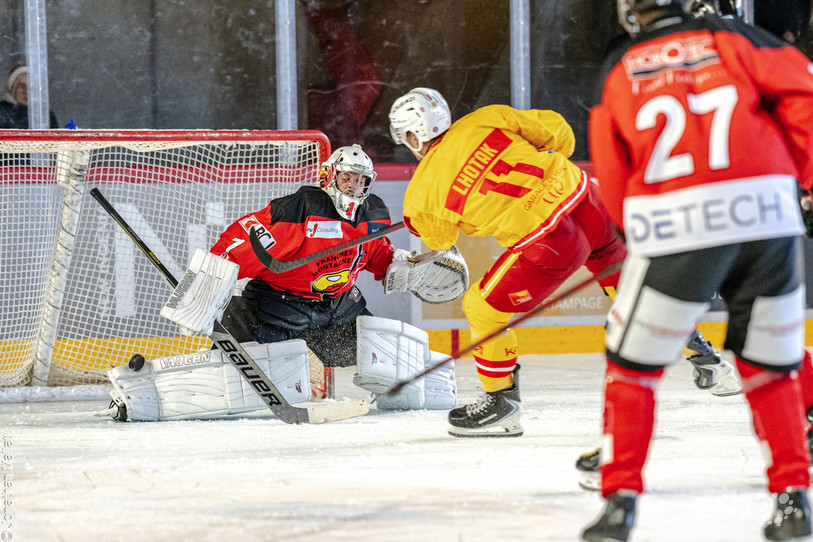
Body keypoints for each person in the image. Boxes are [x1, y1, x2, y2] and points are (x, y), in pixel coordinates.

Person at [582, 1, 813, 540]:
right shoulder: (741, 39)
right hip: (766, 217)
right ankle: (793, 501)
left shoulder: (620, 65)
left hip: (675, 226)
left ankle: (620, 504)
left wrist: (634, 228)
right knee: (769, 368)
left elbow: (611, 168)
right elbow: (804, 99)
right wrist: (798, 183)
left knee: (631, 369)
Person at [388, 88, 737, 439]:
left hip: (552, 241)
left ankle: (500, 402)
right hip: (589, 201)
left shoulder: (421, 192)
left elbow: (439, 240)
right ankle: (710, 361)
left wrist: (421, 217)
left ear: (414, 135)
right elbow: (560, 133)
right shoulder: (485, 118)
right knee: (630, 287)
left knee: (481, 306)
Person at [102, 144, 466, 421]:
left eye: (361, 181)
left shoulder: (372, 219)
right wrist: (206, 286)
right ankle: (141, 392)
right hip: (276, 307)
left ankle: (434, 387)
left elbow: (380, 256)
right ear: (329, 176)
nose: (354, 187)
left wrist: (411, 266)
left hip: (337, 308)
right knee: (239, 380)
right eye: (347, 178)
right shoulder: (299, 212)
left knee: (384, 355)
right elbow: (240, 238)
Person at [0, 64, 59, 129]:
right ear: (13, 88)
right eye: (22, 86)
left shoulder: (44, 114)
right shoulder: (2, 111)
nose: (26, 91)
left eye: (31, 87)